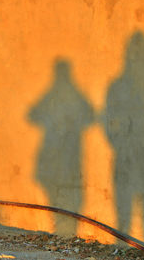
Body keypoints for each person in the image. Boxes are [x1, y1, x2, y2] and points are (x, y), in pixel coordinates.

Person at [103, 31, 144, 245]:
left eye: (141, 51)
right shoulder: (118, 85)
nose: (138, 55)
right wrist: (117, 144)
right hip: (126, 156)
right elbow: (107, 119)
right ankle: (123, 250)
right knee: (124, 216)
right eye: (134, 51)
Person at [29, 59, 94, 235]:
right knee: (57, 194)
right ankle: (61, 232)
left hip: (69, 157)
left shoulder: (73, 94)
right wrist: (53, 122)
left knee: (70, 196)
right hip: (54, 158)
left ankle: (67, 233)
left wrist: (71, 124)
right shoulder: (53, 94)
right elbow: (32, 114)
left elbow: (90, 115)